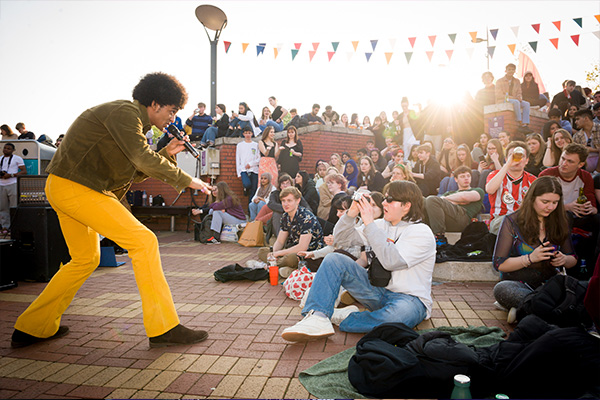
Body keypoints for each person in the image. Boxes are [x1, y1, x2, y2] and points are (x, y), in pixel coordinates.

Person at [11, 72, 213, 349]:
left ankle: (33, 326)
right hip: (78, 188)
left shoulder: (129, 121)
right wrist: (187, 179)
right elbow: (142, 157)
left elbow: (132, 172)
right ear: (155, 104)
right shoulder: (125, 113)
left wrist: (165, 154)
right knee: (144, 241)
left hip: (66, 187)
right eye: (172, 110)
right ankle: (163, 327)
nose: (173, 117)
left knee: (85, 258)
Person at [281, 180, 435, 341]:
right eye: (385, 198)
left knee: (395, 319)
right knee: (334, 259)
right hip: (379, 291)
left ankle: (344, 318)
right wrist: (351, 213)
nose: (384, 203)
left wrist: (369, 223)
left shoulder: (421, 232)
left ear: (406, 206)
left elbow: (392, 261)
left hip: (410, 299)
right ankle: (318, 317)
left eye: (389, 200)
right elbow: (340, 239)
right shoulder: (382, 224)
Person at [492, 176, 577, 322]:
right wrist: (530, 259)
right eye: (545, 202)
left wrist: (563, 259)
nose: (550, 207)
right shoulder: (512, 221)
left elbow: (573, 259)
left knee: (574, 289)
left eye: (555, 203)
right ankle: (545, 311)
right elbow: (499, 264)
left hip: (550, 284)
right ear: (532, 199)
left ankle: (524, 311)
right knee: (501, 289)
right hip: (518, 283)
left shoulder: (561, 220)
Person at [539, 143, 599, 268]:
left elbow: (591, 200)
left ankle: (593, 266)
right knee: (566, 216)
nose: (564, 163)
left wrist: (591, 208)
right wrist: (567, 207)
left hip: (579, 216)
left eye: (570, 161)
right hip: (554, 216)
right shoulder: (547, 174)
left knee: (597, 219)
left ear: (580, 164)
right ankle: (562, 259)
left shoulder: (586, 176)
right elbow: (539, 204)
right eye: (563, 158)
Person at [258, 186, 325, 277]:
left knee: (291, 258)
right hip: (292, 250)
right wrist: (273, 256)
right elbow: (280, 241)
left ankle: (273, 267)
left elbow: (302, 247)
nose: (285, 204)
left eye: (289, 201)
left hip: (308, 255)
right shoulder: (285, 216)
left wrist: (278, 254)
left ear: (297, 201)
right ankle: (279, 267)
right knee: (262, 251)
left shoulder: (306, 217)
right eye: (283, 201)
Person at [424, 166, 484, 246]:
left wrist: (448, 200)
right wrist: (455, 200)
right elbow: (436, 203)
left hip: (462, 219)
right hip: (446, 219)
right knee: (422, 200)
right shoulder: (449, 193)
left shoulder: (478, 190)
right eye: (462, 176)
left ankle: (440, 237)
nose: (466, 178)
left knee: (431, 199)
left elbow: (464, 197)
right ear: (456, 179)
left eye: (468, 176)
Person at [486, 141, 537, 234]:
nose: (516, 159)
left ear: (527, 160)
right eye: (511, 155)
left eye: (521, 156)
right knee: (507, 223)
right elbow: (490, 189)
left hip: (524, 220)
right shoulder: (495, 175)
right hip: (500, 219)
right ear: (506, 159)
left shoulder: (533, 180)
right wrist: (508, 165)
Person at [495, 63, 531, 130]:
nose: (511, 71)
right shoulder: (499, 81)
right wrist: (512, 98)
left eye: (512, 70)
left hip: (515, 99)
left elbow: (519, 92)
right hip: (503, 100)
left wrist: (520, 96)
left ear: (514, 71)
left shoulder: (517, 81)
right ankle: (519, 121)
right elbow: (498, 94)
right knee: (516, 102)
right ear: (506, 71)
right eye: (509, 69)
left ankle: (525, 124)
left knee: (526, 104)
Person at [0, 143, 27, 233]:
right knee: (3, 207)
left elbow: (24, 171)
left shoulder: (17, 158)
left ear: (13, 150)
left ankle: (15, 227)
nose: (6, 150)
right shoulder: (0, 158)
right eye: (5, 148)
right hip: (1, 185)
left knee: (14, 206)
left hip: (13, 184)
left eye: (8, 148)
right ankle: (5, 227)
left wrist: (11, 175)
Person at [236, 126, 260, 201]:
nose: (248, 135)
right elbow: (238, 159)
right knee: (247, 184)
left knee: (254, 190)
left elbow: (258, 158)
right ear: (243, 134)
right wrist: (238, 173)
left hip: (254, 170)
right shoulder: (240, 145)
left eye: (249, 133)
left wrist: (251, 164)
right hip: (243, 170)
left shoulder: (255, 145)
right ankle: (246, 189)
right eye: (246, 133)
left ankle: (250, 208)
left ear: (252, 134)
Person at [572, 109, 600, 173]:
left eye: (578, 119)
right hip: (584, 170)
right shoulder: (577, 135)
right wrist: (596, 150)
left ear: (586, 118)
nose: (576, 122)